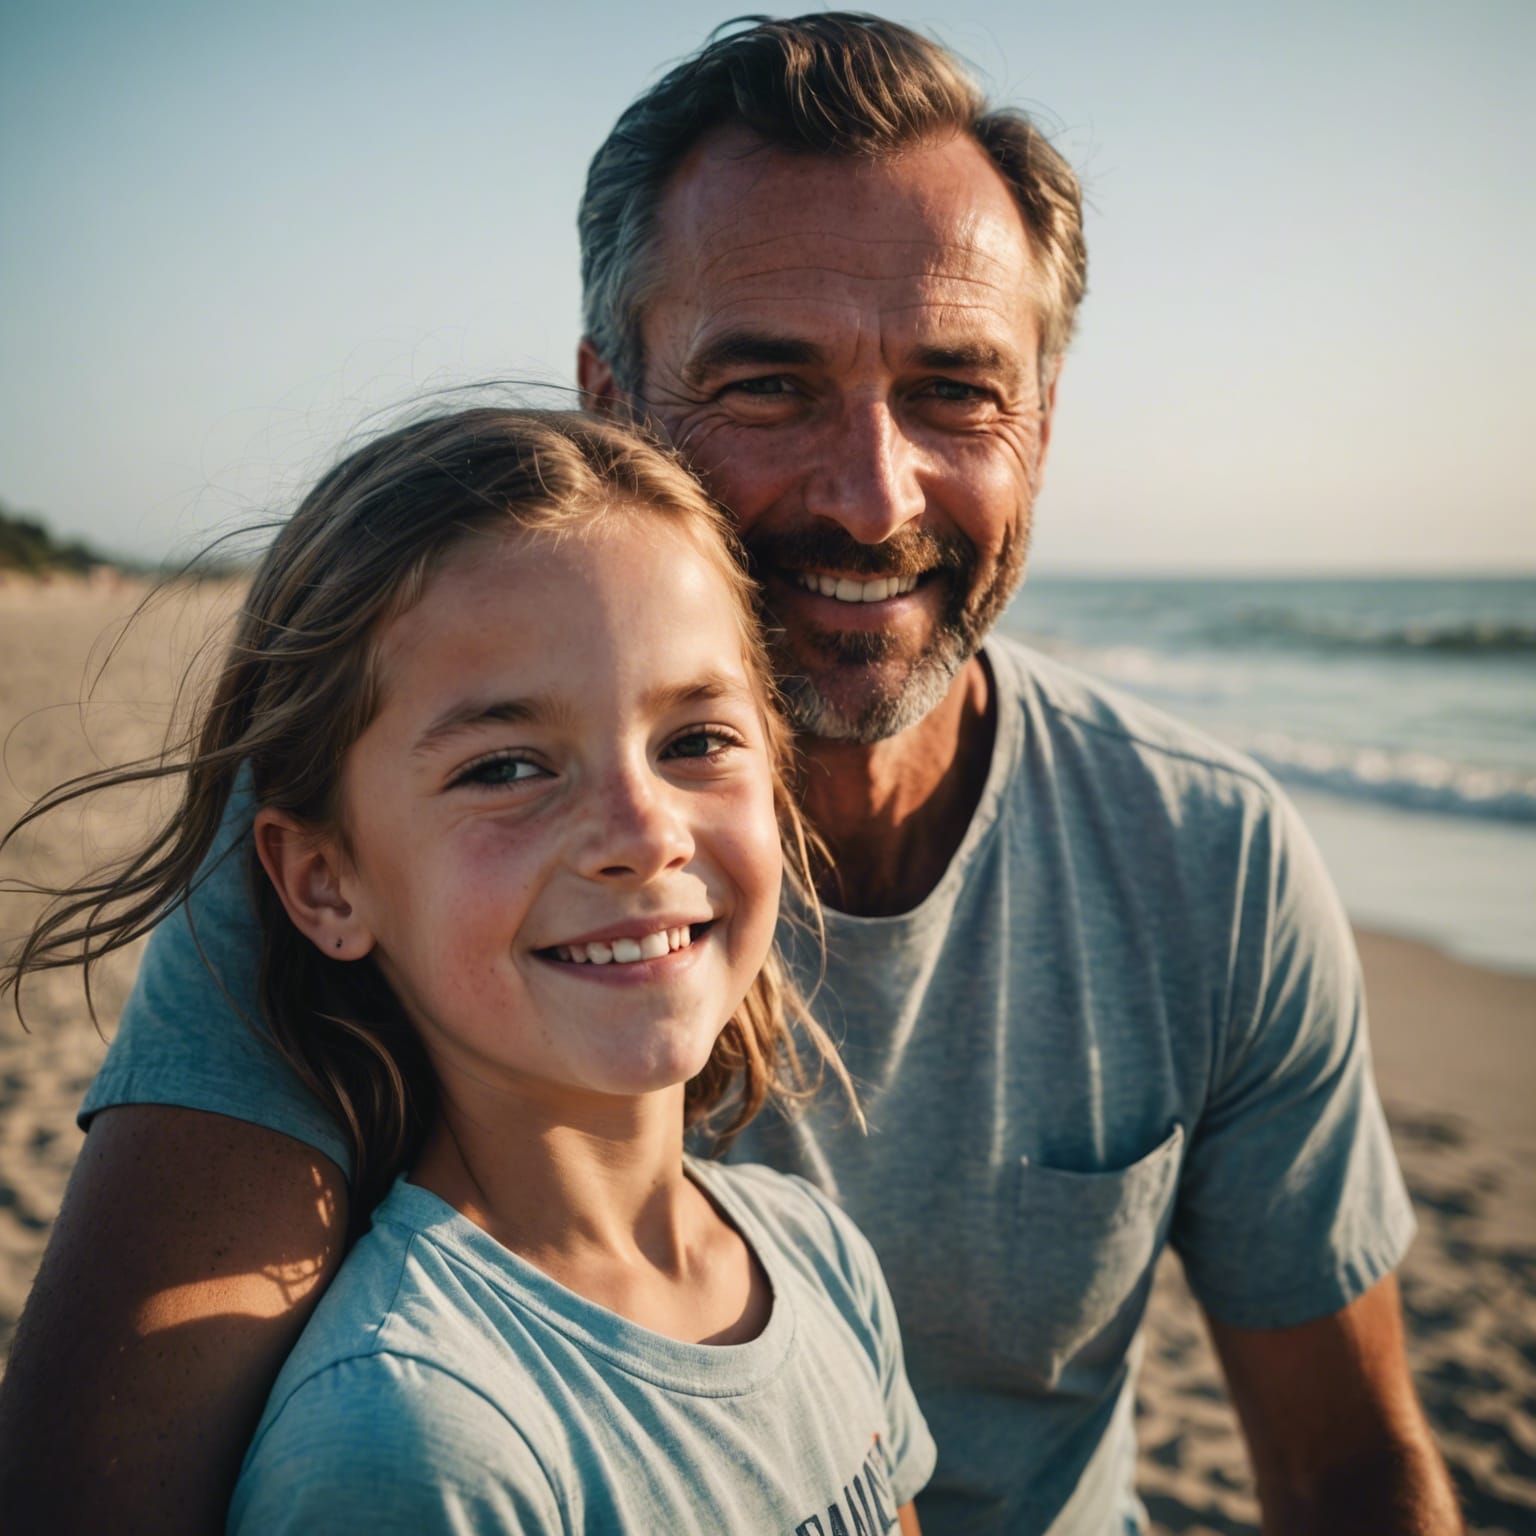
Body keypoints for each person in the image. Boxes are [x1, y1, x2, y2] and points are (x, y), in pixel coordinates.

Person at [0, 15, 1461, 1535]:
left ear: (1043, 422)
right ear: (609, 405)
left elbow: (1349, 1469)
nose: (872, 493)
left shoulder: (1202, 857)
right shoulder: (392, 864)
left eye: (958, 389)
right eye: (769, 386)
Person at [5, 409, 934, 1533]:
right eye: (504, 765)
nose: (642, 831)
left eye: (696, 739)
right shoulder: (416, 1441)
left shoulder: (816, 1254)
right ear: (325, 884)